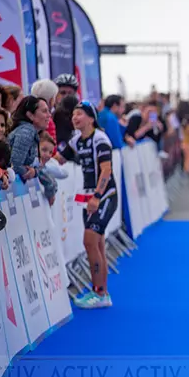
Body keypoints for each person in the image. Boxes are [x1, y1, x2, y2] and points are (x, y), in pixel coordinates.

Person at [55, 102, 118, 307]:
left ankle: (99, 293)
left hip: (104, 196)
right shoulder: (76, 140)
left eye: (80, 114)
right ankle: (102, 292)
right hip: (89, 197)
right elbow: (58, 159)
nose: (75, 117)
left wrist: (97, 197)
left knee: (90, 242)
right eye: (73, 114)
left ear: (91, 118)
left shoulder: (99, 139)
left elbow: (106, 170)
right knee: (96, 244)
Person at [8, 96, 50, 182]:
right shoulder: (26, 131)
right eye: (44, 111)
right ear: (30, 115)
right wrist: (30, 172)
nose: (49, 115)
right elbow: (14, 166)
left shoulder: (31, 131)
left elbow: (38, 166)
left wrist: (34, 171)